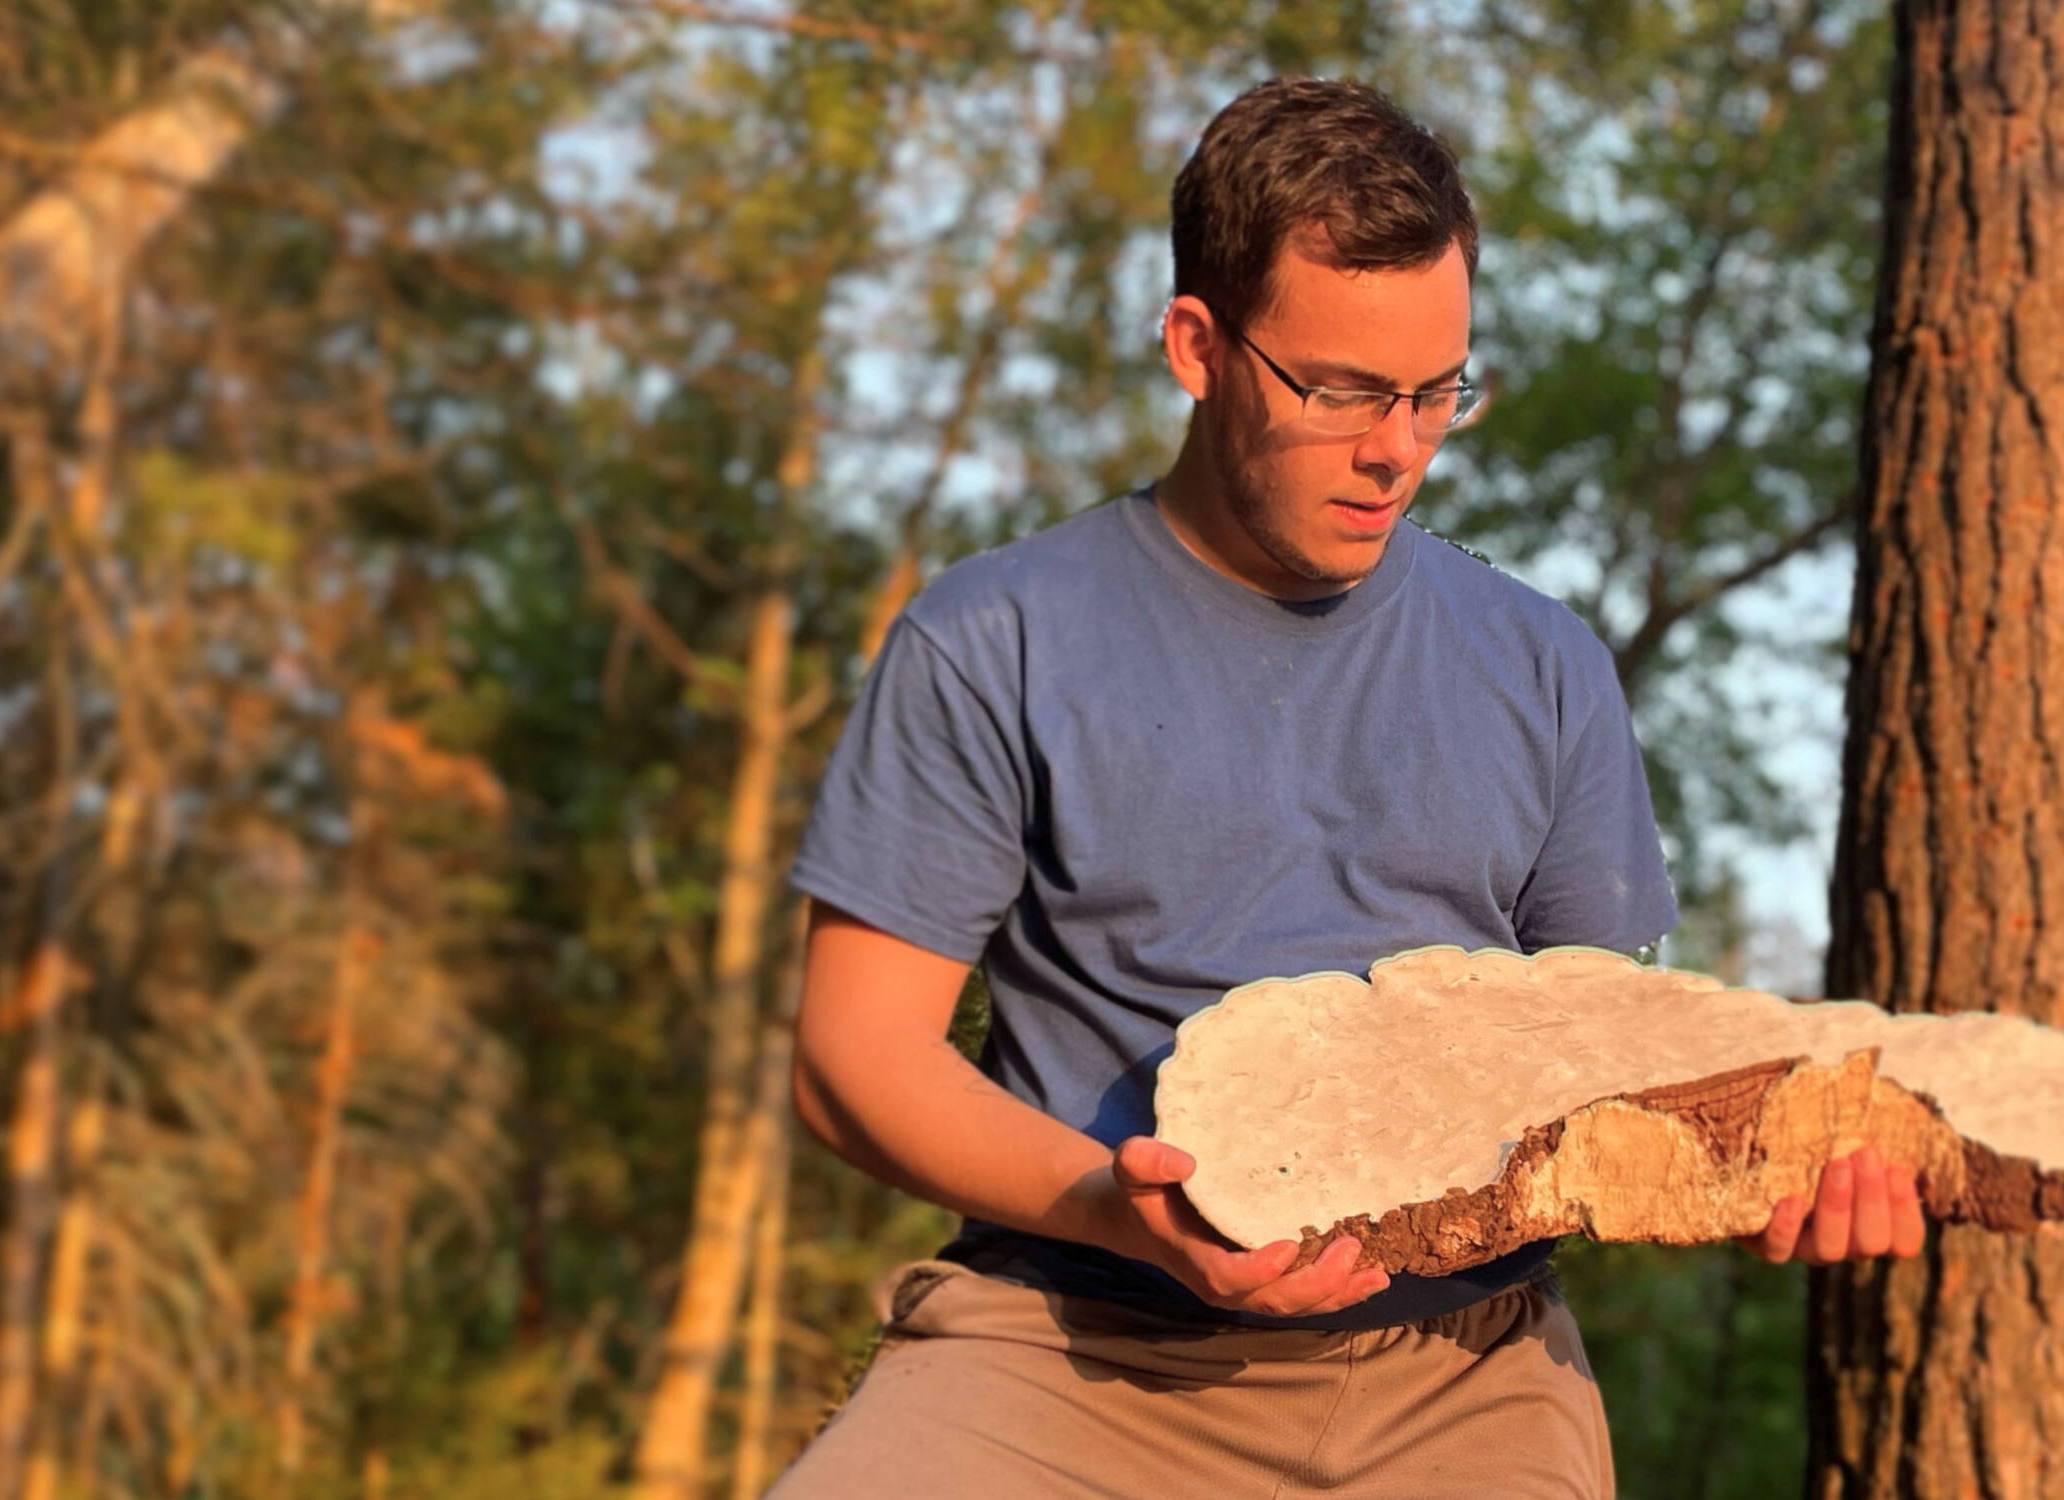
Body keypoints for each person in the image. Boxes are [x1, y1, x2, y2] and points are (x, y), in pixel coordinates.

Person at [763, 76, 1922, 1500]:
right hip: (1066, 1347)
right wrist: (1122, 1219)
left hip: (1468, 1377)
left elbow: (1606, 1067)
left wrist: (1776, 1155)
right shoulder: (995, 635)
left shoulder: (1545, 664)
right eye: (1343, 391)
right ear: (1197, 345)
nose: (1400, 448)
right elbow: (850, 1061)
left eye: (1440, 392)